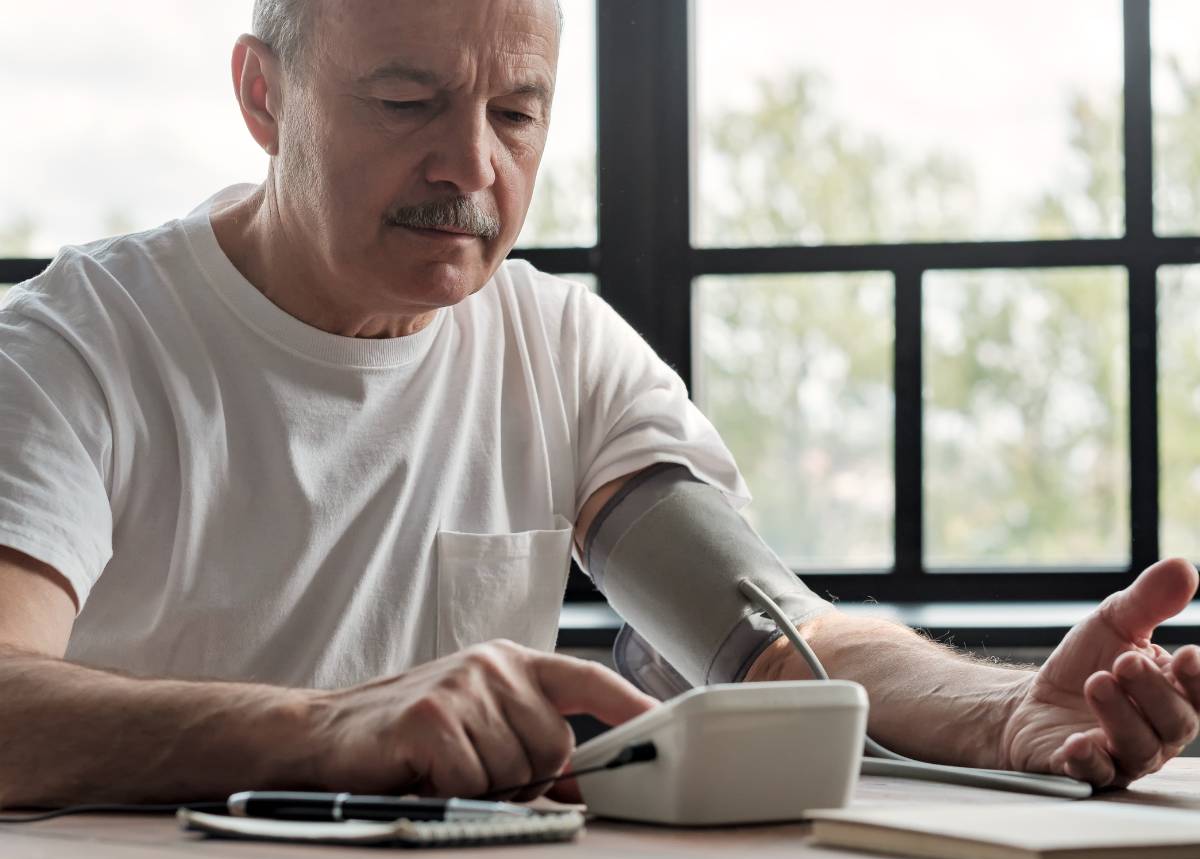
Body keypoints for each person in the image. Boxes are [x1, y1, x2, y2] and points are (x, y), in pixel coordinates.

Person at [0, 0, 1195, 808]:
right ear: (265, 96)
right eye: (408, 102)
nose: (471, 165)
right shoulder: (80, 346)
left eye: (516, 113)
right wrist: (323, 731)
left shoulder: (555, 345)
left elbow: (771, 641)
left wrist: (1004, 715)